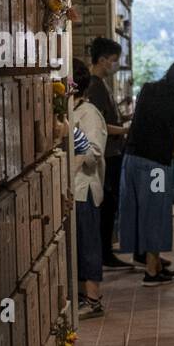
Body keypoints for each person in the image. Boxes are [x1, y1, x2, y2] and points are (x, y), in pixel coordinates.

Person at [120, 58, 174, 287]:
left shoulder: (148, 89)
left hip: (131, 161)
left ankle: (150, 261)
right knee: (155, 214)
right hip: (155, 167)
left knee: (137, 213)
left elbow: (138, 121)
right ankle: (151, 272)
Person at [84, 37, 132, 270]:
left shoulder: (101, 85)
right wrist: (124, 130)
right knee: (107, 206)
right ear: (102, 60)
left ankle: (106, 250)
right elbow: (100, 124)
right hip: (108, 153)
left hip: (114, 150)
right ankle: (105, 253)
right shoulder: (94, 86)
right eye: (114, 61)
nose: (116, 65)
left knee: (111, 206)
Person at [70, 59, 107, 318]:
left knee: (88, 243)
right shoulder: (71, 111)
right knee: (78, 245)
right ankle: (83, 295)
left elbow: (94, 152)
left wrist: (71, 132)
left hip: (84, 188)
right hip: (72, 189)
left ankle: (93, 299)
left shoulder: (88, 113)